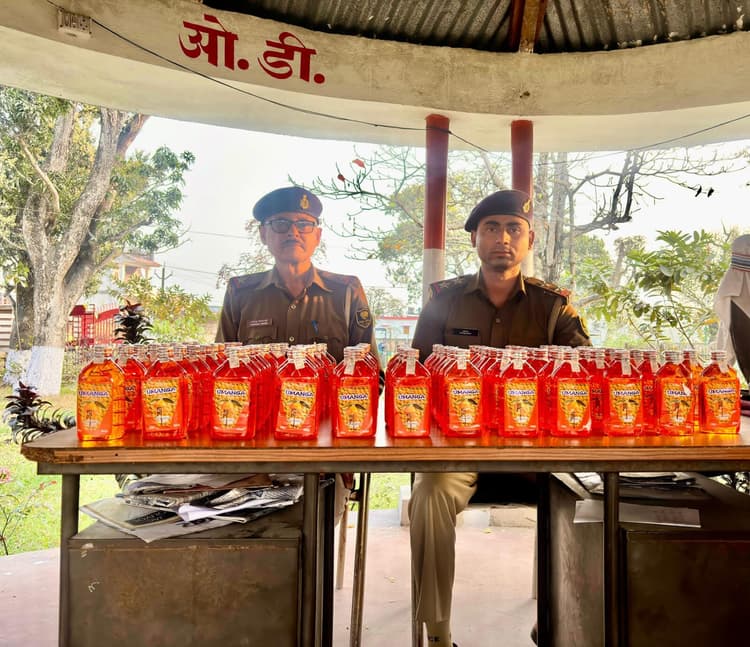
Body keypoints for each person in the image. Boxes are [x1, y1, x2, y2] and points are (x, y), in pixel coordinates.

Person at [409, 189, 591, 647]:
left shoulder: (553, 307)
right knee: (428, 495)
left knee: (591, 500)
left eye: (514, 229)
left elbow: (586, 378)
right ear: (475, 238)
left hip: (536, 455)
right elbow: (415, 376)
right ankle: (437, 635)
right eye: (491, 228)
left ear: (530, 240)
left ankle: (562, 622)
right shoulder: (444, 301)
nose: (503, 239)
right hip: (459, 452)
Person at [216, 185, 380, 516]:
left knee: (314, 527)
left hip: (326, 450)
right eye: (280, 224)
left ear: (317, 235)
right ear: (263, 234)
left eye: (304, 224)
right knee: (238, 523)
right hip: (254, 449)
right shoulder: (241, 293)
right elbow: (220, 375)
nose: (293, 232)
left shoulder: (346, 291)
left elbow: (372, 378)